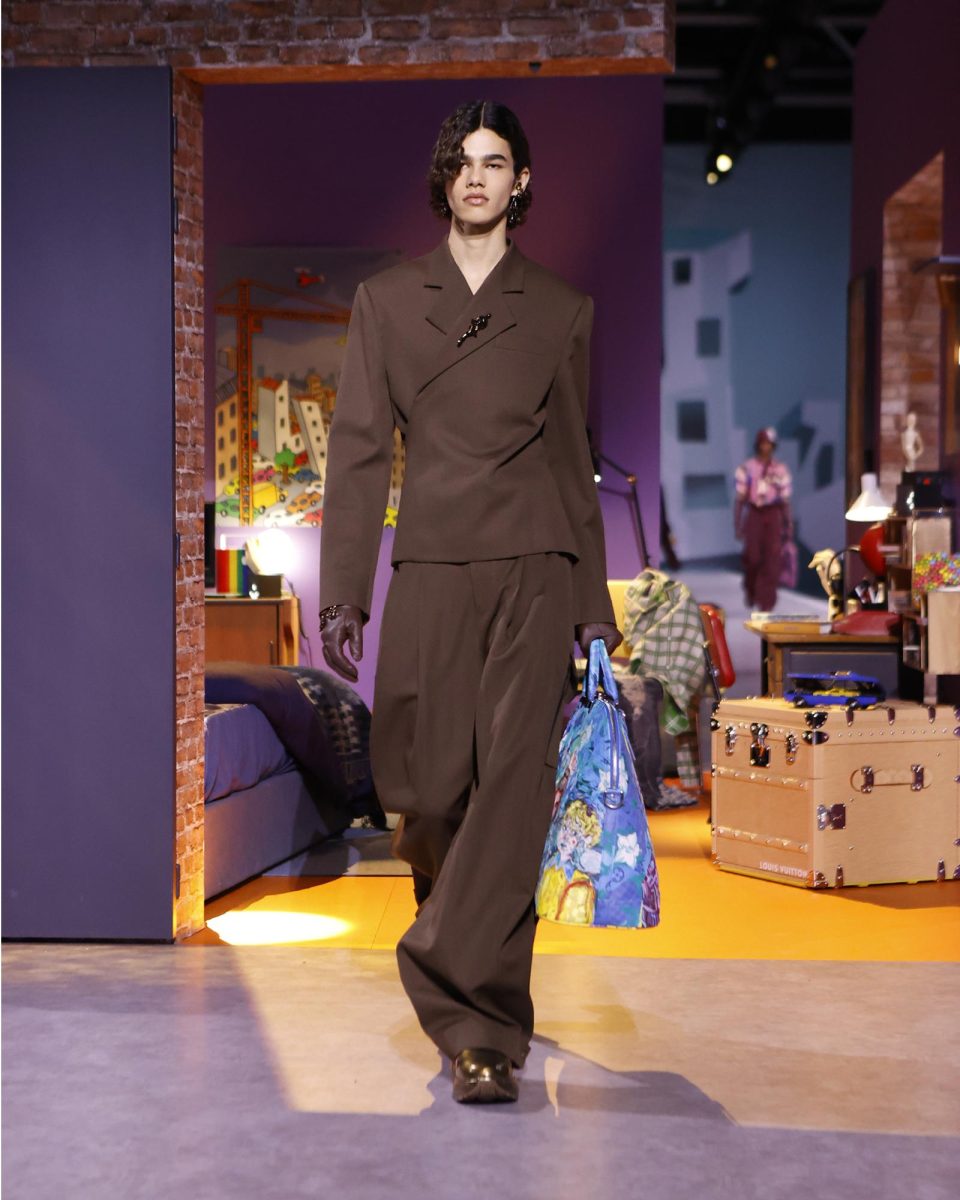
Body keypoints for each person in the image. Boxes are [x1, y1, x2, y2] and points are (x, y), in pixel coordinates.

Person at [317, 100, 621, 1105]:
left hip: (534, 567)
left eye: (495, 162)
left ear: (521, 180)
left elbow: (574, 465)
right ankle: (452, 949)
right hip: (433, 567)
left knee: (513, 794)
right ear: (445, 179)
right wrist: (345, 589)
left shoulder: (561, 307)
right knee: (430, 792)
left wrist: (592, 609)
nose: (477, 177)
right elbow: (359, 450)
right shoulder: (388, 301)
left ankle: (483, 1031)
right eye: (462, 162)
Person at [734, 426, 793, 612]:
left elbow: (784, 500)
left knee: (772, 559)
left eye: (769, 444)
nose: (766, 447)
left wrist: (788, 524)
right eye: (763, 443)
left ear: (773, 446)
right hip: (754, 514)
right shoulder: (747, 468)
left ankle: (766, 602)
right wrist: (737, 524)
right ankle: (751, 588)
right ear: (758, 444)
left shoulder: (780, 470)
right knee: (752, 557)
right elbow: (740, 498)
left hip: (773, 514)